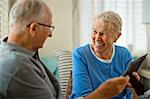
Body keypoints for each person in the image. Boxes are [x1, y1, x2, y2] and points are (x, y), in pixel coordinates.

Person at [0, 0, 131, 99]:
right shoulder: (18, 68)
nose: (50, 34)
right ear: (33, 28)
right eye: (49, 27)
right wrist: (104, 92)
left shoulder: (25, 53)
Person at [69, 11, 139, 99]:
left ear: (117, 36)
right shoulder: (81, 54)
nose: (97, 38)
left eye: (102, 34)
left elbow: (131, 96)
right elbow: (82, 96)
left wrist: (134, 86)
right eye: (95, 32)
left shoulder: (124, 54)